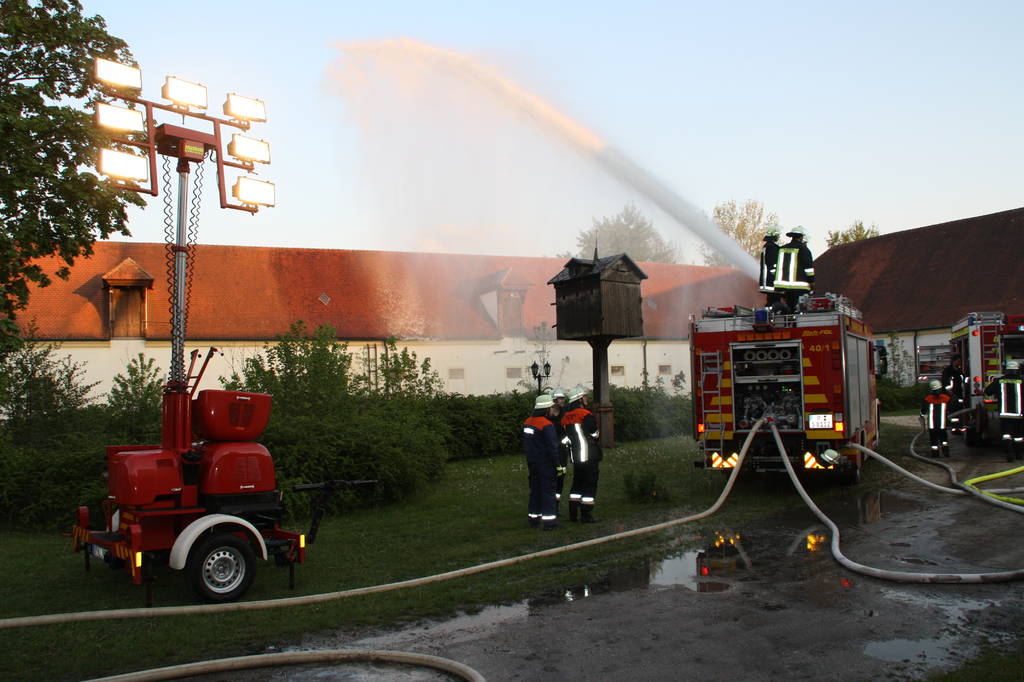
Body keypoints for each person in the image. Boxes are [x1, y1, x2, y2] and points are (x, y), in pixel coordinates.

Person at [562, 385, 602, 523]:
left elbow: (566, 437)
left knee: (577, 483)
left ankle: (573, 514)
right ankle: (586, 515)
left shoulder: (566, 417)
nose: (586, 398)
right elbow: (594, 434)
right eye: (584, 396)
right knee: (590, 484)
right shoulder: (585, 414)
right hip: (589, 454)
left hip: (576, 456)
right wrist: (596, 435)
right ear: (579, 399)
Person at [522, 393, 560, 530]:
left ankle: (533, 520)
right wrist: (557, 465)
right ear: (546, 409)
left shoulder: (527, 422)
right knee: (548, 492)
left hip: (532, 463)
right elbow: (552, 447)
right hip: (546, 464)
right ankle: (549, 523)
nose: (552, 409)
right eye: (551, 407)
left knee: (535, 491)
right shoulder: (546, 424)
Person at [984, 359, 1024, 462]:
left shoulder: (999, 381)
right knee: (1019, 436)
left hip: (1005, 415)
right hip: (1019, 415)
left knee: (1006, 435)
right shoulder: (1022, 380)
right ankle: (1019, 454)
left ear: (1006, 370)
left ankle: (1009, 454)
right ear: (1017, 370)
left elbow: (987, 391)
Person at [773, 226, 815, 312]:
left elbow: (775, 266)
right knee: (800, 310)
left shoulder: (781, 249)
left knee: (789, 310)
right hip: (800, 287)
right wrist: (811, 281)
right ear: (801, 237)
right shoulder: (803, 249)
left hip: (783, 287)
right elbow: (809, 269)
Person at [550, 387, 570, 516]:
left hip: (562, 451)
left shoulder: (566, 413)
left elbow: (569, 432)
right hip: (550, 451)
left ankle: (556, 505)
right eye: (560, 398)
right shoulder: (547, 415)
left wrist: (563, 443)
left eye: (563, 398)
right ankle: (549, 505)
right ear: (554, 400)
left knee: (560, 478)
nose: (562, 400)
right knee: (550, 478)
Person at [919, 379, 951, 458]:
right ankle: (946, 452)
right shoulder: (946, 398)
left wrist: (922, 415)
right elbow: (951, 407)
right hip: (942, 425)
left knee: (934, 442)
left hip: (932, 426)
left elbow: (923, 411)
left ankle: (935, 454)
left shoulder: (927, 399)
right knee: (944, 440)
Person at [940, 354, 967, 433]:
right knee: (953, 411)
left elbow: (962, 380)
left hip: (958, 394)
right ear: (953, 361)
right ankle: (954, 427)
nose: (959, 363)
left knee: (959, 410)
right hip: (950, 395)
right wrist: (950, 393)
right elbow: (945, 383)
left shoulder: (959, 370)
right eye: (958, 361)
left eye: (960, 361)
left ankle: (959, 426)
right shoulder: (947, 371)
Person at [758, 226, 782, 307]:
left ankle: (769, 312)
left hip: (767, 279)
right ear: (773, 235)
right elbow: (772, 263)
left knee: (771, 300)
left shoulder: (767, 246)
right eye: (777, 235)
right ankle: (771, 313)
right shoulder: (771, 247)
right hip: (771, 279)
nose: (778, 237)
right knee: (774, 300)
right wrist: (777, 277)